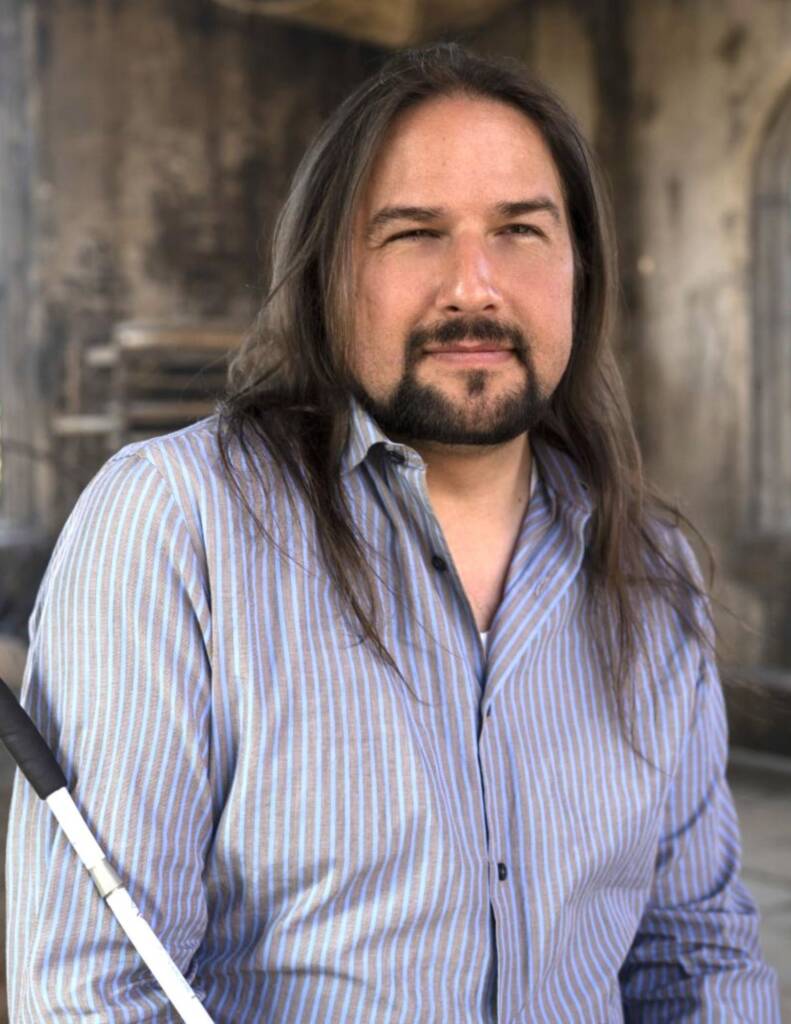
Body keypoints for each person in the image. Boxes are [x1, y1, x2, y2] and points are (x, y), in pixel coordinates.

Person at [6, 43, 780, 1023]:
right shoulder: (174, 528)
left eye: (519, 231)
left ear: (578, 267)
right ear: (332, 271)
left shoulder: (650, 573)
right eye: (414, 233)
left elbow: (698, 963)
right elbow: (89, 993)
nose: (473, 285)